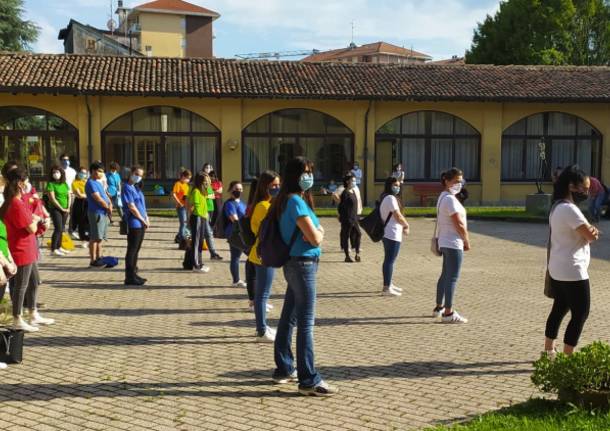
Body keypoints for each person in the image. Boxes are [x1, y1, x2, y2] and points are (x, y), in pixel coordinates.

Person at [272, 157, 337, 396]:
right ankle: (308, 379)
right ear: (295, 175)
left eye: (310, 171)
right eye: (305, 172)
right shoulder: (296, 202)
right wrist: (320, 231)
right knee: (306, 322)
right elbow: (315, 238)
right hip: (303, 265)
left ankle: (284, 367)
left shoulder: (285, 200)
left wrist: (316, 232)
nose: (309, 176)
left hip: (294, 264)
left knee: (289, 316)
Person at [544, 165, 599, 358]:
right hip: (573, 270)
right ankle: (569, 357)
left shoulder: (557, 206)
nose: (586, 192)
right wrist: (591, 231)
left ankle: (549, 349)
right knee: (581, 313)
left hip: (557, 267)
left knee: (559, 308)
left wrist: (589, 230)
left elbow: (583, 231)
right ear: (571, 186)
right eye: (583, 188)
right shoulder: (570, 210)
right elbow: (590, 235)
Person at [1, 167, 54, 332]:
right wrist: (38, 219)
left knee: (34, 281)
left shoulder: (19, 200)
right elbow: (30, 227)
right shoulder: (15, 203)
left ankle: (33, 313)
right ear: (19, 183)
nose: (27, 185)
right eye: (25, 181)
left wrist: (36, 217)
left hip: (28, 248)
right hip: (21, 249)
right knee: (21, 285)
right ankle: (17, 317)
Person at [434, 168, 470, 324]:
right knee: (452, 277)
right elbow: (459, 223)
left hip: (445, 241)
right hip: (453, 242)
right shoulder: (449, 199)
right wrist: (466, 240)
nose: (458, 184)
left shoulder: (444, 197)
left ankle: (439, 307)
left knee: (445, 275)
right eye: (455, 181)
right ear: (447, 181)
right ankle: (448, 312)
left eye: (460, 181)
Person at [248, 170, 280, 342]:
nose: (277, 188)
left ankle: (263, 326)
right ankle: (261, 330)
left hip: (265, 253)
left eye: (278, 185)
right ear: (265, 186)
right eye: (273, 185)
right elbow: (265, 232)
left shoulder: (268, 204)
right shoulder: (263, 206)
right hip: (263, 255)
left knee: (263, 293)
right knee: (262, 294)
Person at [379, 177, 410, 297]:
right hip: (391, 233)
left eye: (398, 185)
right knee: (389, 260)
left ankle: (389, 283)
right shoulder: (390, 198)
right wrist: (406, 225)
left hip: (390, 233)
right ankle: (386, 288)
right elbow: (398, 215)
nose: (397, 187)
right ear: (389, 186)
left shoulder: (386, 197)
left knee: (390, 260)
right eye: (394, 185)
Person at [122, 166, 149, 286]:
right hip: (134, 223)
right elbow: (132, 206)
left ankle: (134, 273)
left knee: (136, 249)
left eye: (140, 175)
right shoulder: (127, 187)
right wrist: (142, 219)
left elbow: (142, 205)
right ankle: (129, 276)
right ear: (131, 173)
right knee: (132, 250)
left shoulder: (136, 188)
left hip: (141, 222)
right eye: (136, 174)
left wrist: (146, 218)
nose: (138, 177)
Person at [86, 161, 112, 268]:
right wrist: (107, 206)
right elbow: (97, 198)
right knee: (95, 237)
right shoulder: (91, 183)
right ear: (93, 171)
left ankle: (99, 257)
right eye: (99, 171)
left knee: (100, 238)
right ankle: (93, 260)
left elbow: (105, 195)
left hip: (103, 213)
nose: (101, 173)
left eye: (102, 172)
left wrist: (110, 204)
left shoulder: (99, 182)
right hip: (96, 212)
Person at [223, 181, 247, 287]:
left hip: (242, 232)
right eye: (237, 189)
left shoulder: (241, 203)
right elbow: (234, 218)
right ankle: (236, 281)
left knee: (249, 256)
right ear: (231, 190)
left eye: (241, 189)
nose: (239, 191)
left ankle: (248, 278)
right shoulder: (229, 203)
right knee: (236, 256)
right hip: (235, 233)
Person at [187, 171, 212, 273]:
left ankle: (200, 263)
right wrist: (190, 218)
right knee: (196, 241)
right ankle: (195, 265)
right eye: (205, 181)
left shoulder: (203, 192)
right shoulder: (196, 191)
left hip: (202, 217)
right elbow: (194, 206)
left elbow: (205, 203)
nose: (207, 183)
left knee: (201, 241)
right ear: (201, 181)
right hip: (197, 217)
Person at [46, 165, 72, 256]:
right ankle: (53, 249)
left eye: (57, 172)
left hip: (65, 209)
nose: (55, 174)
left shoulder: (64, 184)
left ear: (61, 173)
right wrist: (61, 208)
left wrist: (68, 207)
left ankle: (59, 246)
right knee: (58, 228)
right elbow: (52, 199)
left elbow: (69, 196)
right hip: (55, 209)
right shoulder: (50, 184)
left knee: (62, 229)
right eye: (53, 172)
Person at [337, 174, 362, 263]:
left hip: (354, 218)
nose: (354, 182)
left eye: (355, 180)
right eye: (353, 180)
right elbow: (341, 207)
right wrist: (344, 218)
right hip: (347, 219)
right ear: (348, 182)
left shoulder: (353, 191)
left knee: (359, 234)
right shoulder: (345, 193)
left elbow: (355, 206)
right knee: (346, 236)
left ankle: (357, 253)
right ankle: (347, 256)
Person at [172, 169, 192, 243]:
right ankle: (181, 238)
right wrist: (178, 202)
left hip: (185, 206)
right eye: (187, 178)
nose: (188, 180)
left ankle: (179, 236)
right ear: (183, 177)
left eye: (189, 178)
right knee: (183, 222)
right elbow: (174, 194)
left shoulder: (186, 185)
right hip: (180, 206)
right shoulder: (178, 184)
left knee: (185, 223)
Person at [71, 167, 89, 244]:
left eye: (84, 173)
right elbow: (79, 195)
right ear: (78, 173)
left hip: (88, 202)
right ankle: (83, 239)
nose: (83, 174)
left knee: (88, 221)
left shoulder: (87, 182)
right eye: (81, 172)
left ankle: (88, 237)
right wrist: (90, 195)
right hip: (80, 203)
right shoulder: (75, 182)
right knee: (81, 221)